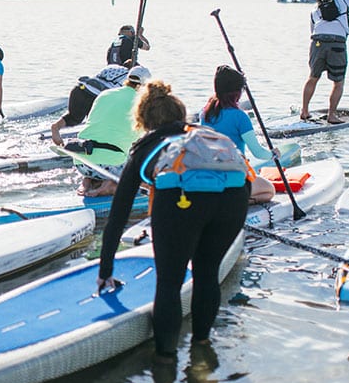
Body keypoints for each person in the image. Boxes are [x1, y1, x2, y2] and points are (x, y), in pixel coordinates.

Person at [97, 80, 251, 363]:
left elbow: (118, 216)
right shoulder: (206, 136)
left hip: (181, 197)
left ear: (144, 120)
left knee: (169, 283)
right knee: (207, 273)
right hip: (235, 197)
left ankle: (165, 368)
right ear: (181, 116)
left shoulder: (145, 148)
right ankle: (202, 350)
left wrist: (105, 269)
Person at [65, 65, 150, 197]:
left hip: (82, 163)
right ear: (145, 86)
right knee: (146, 180)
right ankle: (111, 186)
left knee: (106, 151)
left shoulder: (104, 94)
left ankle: (88, 181)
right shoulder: (142, 103)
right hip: (110, 164)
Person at [201, 65, 277, 203]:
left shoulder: (205, 114)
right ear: (237, 93)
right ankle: (239, 202)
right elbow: (258, 153)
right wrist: (273, 154)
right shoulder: (240, 117)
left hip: (210, 176)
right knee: (269, 191)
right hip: (233, 178)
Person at [300, 0, 349, 123]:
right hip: (336, 43)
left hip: (317, 42)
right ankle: (332, 115)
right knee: (338, 82)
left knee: (313, 77)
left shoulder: (315, 9)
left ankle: (304, 111)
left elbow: (312, 30)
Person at [49, 64, 130, 145]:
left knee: (73, 117)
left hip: (80, 88)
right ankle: (90, 144)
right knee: (99, 123)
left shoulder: (113, 67)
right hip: (96, 97)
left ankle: (56, 127)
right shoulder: (128, 78)